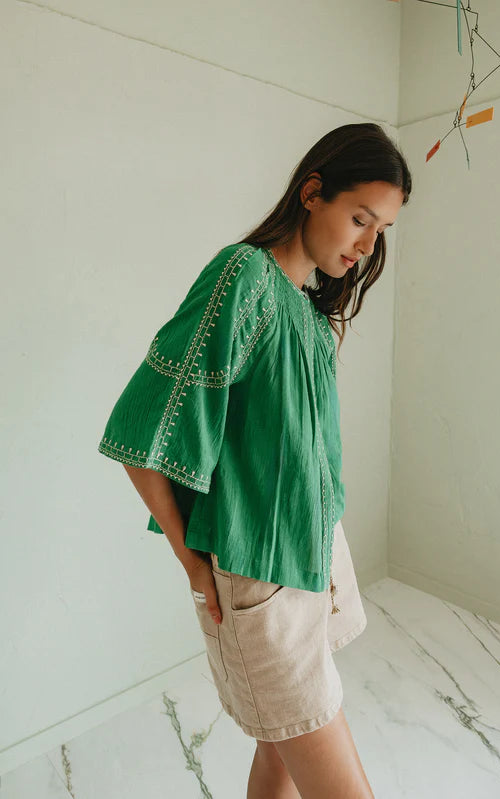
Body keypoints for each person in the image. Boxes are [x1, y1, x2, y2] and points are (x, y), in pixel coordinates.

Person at [97, 122, 412, 798]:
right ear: (312, 192)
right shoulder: (241, 276)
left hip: (316, 558)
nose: (366, 244)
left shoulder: (305, 311)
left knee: (280, 750)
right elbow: (140, 430)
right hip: (261, 585)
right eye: (360, 218)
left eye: (380, 229)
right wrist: (190, 562)